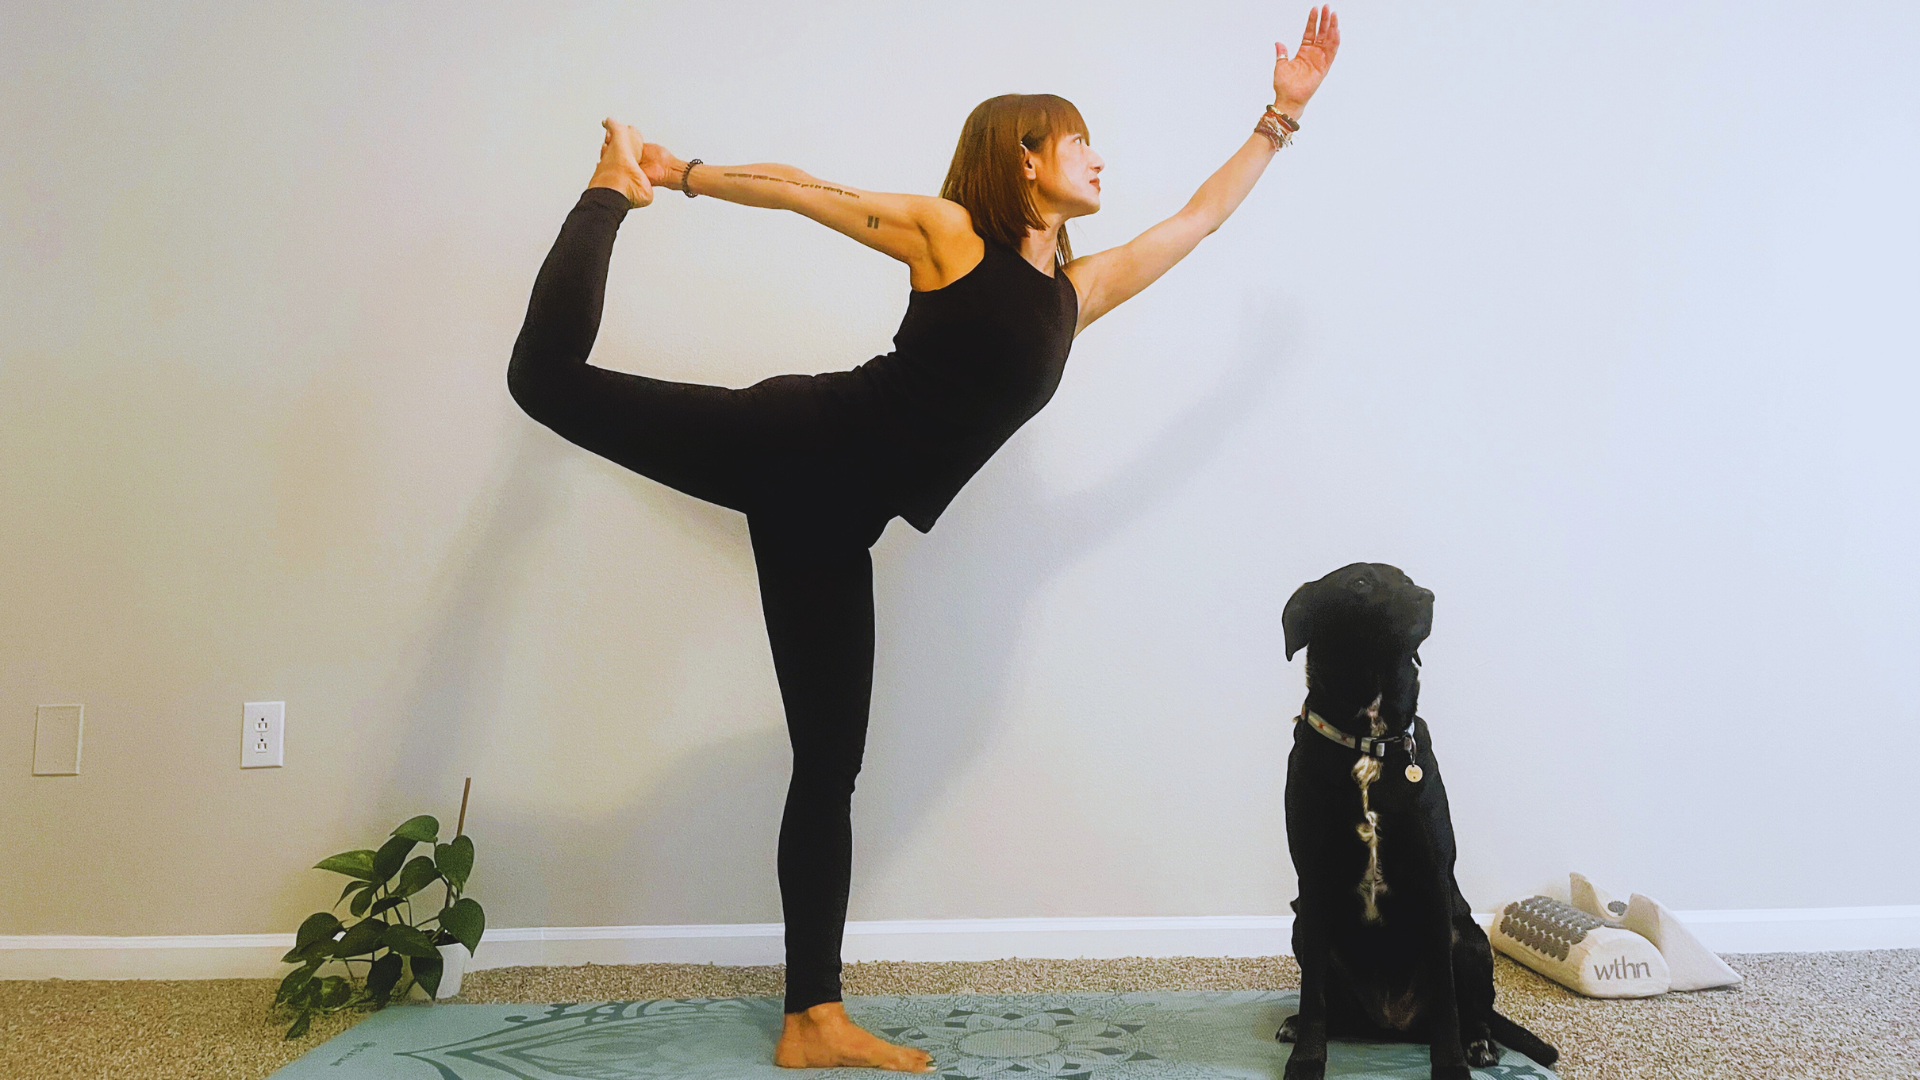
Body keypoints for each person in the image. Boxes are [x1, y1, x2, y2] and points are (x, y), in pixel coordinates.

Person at [507, 8, 1340, 1071]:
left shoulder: (1070, 296)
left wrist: (1280, 116)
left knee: (828, 763)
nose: (1097, 155)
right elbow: (822, 196)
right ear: (1025, 158)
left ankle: (813, 1018)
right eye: (1076, 138)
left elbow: (1197, 220)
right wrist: (679, 174)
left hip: (832, 521)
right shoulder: (954, 240)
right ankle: (606, 191)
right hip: (792, 441)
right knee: (546, 384)